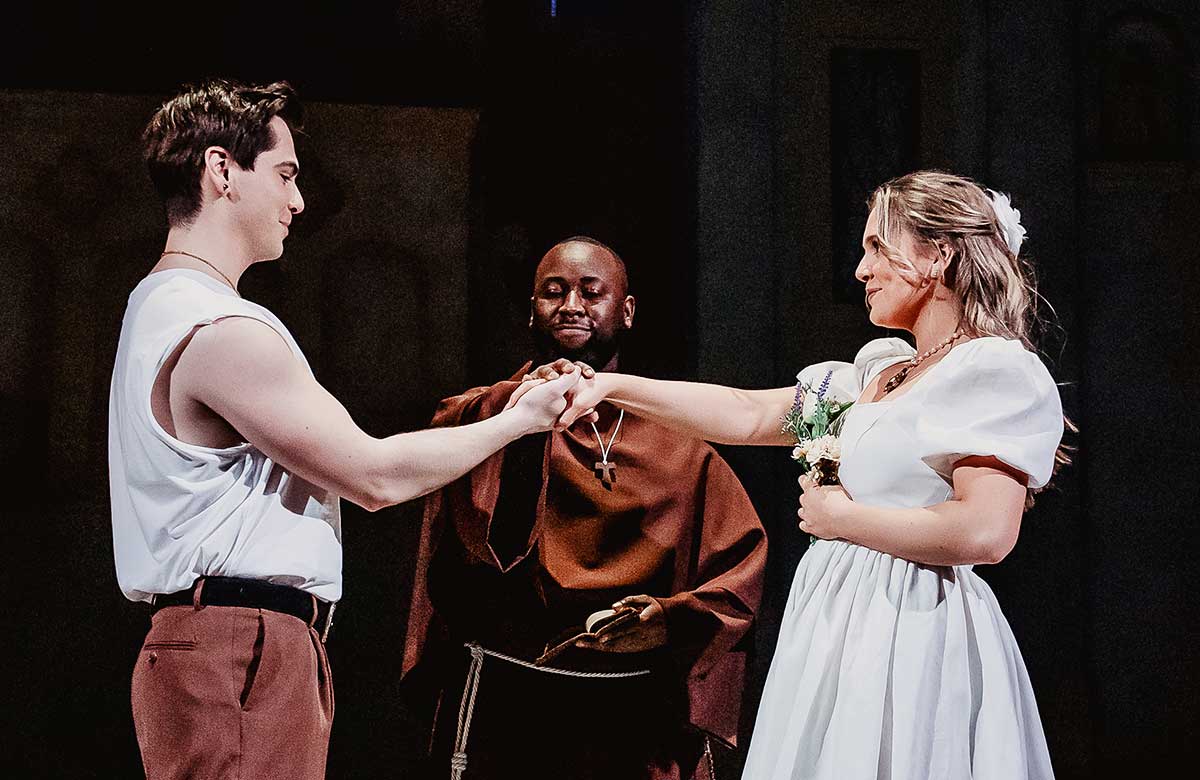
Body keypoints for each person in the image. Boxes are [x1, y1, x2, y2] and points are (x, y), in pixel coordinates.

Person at [108, 79, 579, 780]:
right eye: (286, 174)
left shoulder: (157, 307)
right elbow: (375, 475)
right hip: (240, 649)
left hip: (223, 646)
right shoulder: (219, 328)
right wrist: (519, 420)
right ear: (220, 170)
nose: (298, 201)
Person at [555, 172, 1067, 779]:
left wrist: (844, 519)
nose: (860, 270)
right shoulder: (872, 375)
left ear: (937, 256)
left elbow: (985, 530)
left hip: (915, 627)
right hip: (837, 622)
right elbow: (748, 414)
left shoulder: (992, 370)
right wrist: (609, 388)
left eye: (878, 247)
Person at [403, 236, 768, 780]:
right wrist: (521, 408)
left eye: (590, 292)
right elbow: (442, 457)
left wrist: (669, 619)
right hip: (509, 702)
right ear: (532, 310)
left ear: (626, 311)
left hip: (632, 715)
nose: (571, 304)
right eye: (554, 292)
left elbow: (738, 571)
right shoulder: (487, 416)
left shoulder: (681, 443)